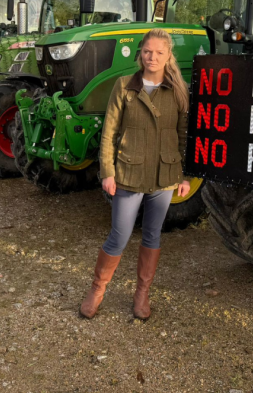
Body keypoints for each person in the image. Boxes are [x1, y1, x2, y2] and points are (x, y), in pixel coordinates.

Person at [79, 28, 192, 320]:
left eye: (159, 53)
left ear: (168, 56)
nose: (152, 57)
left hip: (164, 175)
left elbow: (184, 136)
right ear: (140, 53)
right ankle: (97, 289)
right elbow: (109, 133)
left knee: (153, 234)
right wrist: (107, 172)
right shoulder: (124, 86)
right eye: (147, 51)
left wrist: (184, 175)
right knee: (120, 234)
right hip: (129, 172)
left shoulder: (178, 89)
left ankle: (142, 294)